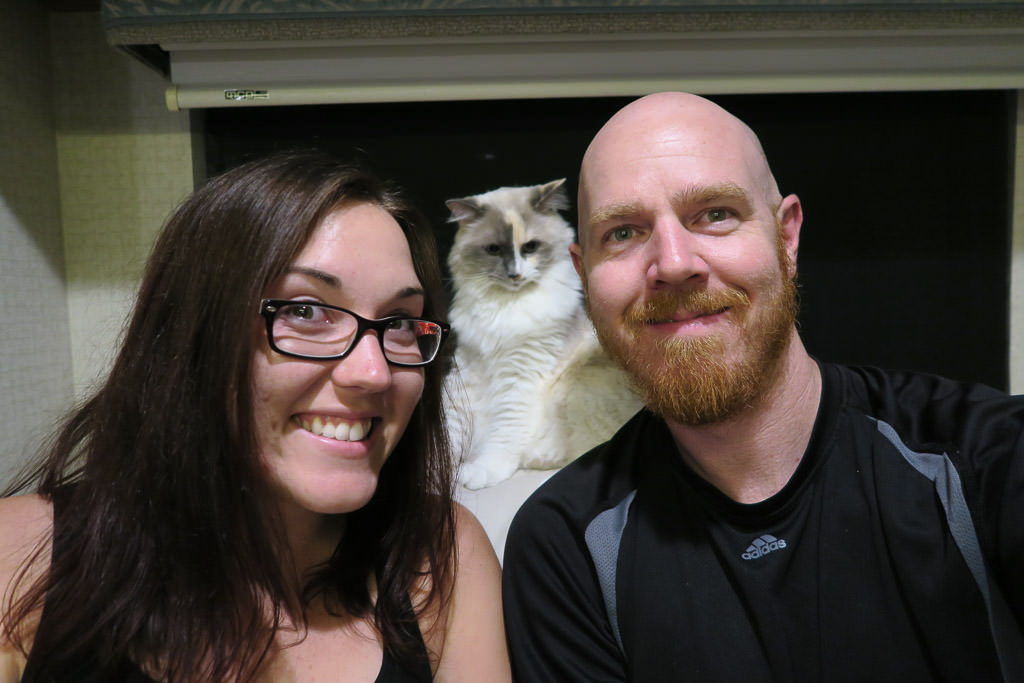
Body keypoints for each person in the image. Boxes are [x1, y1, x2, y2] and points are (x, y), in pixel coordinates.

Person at [502, 92, 1024, 681]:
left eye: (715, 213)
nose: (673, 263)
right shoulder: (567, 546)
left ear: (788, 236)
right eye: (623, 232)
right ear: (583, 274)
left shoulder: (986, 459)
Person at [0, 151, 511, 682]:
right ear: (193, 334)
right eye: (305, 311)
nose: (374, 373)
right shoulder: (20, 559)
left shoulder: (439, 557)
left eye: (401, 321)